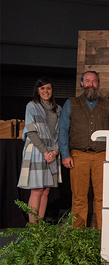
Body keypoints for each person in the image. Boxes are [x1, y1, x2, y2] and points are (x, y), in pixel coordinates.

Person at [59, 71, 109, 229]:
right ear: (81, 83)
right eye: (87, 81)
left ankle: (103, 235)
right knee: (79, 198)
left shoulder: (108, 105)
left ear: (98, 84)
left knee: (103, 197)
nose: (91, 84)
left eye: (94, 82)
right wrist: (65, 154)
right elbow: (63, 130)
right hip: (78, 156)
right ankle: (79, 238)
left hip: (102, 156)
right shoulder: (70, 103)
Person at [18, 77, 62, 223]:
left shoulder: (58, 109)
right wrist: (45, 152)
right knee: (36, 190)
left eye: (48, 88)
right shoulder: (32, 106)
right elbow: (30, 132)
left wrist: (54, 152)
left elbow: (61, 134)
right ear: (37, 90)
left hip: (52, 153)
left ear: (52, 90)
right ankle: (33, 228)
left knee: (46, 190)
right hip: (37, 151)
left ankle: (40, 226)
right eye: (42, 88)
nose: (45, 91)